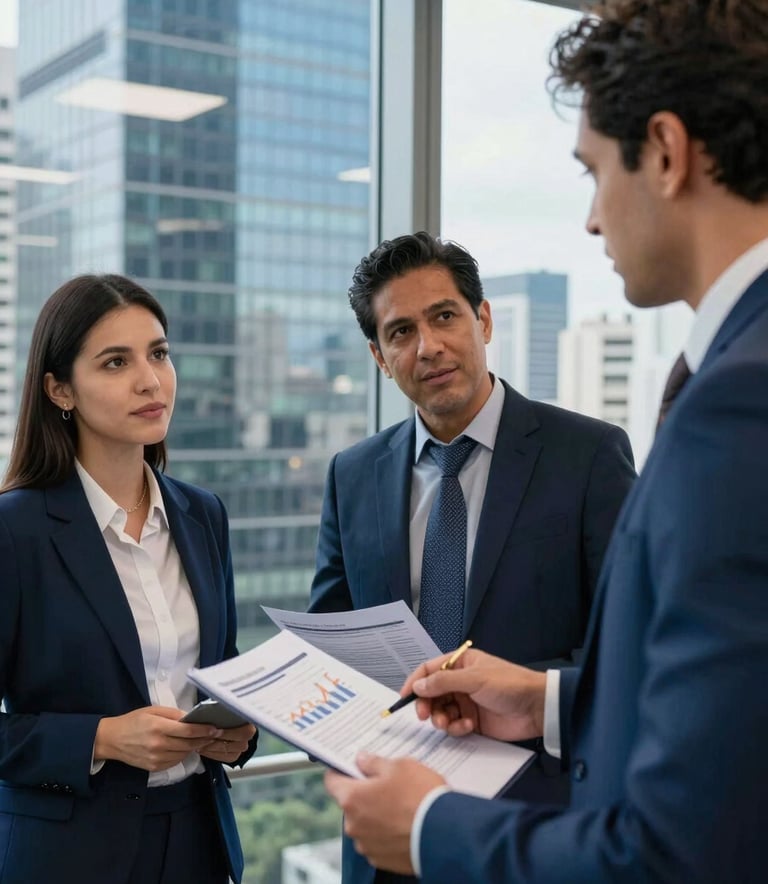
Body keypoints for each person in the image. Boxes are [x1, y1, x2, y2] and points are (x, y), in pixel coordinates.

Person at [323, 1, 768, 881]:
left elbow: (682, 844)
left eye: (594, 170)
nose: (595, 220)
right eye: (401, 333)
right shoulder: (733, 373)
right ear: (379, 356)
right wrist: (545, 698)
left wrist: (427, 832)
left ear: (669, 154)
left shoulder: (736, 402)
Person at [309, 231, 635, 882]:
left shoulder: (589, 456)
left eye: (445, 316)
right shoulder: (354, 472)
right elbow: (332, 641)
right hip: (389, 835)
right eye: (400, 332)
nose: (427, 346)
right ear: (379, 357)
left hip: (534, 830)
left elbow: (629, 651)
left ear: (483, 320)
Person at [0, 274, 258, 884]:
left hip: (199, 839)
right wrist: (102, 739)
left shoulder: (203, 514)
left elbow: (222, 672)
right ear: (60, 389)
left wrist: (238, 732)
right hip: (68, 856)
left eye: (159, 354)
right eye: (116, 362)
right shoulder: (16, 531)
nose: (150, 380)